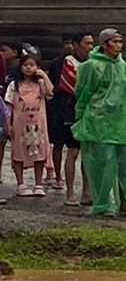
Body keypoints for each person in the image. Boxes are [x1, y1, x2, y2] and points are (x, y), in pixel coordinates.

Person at [73, 28, 126, 219]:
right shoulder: (90, 66)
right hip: (98, 122)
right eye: (114, 42)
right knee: (103, 166)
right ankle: (103, 204)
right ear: (104, 44)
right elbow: (83, 92)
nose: (119, 45)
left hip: (119, 124)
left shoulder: (123, 65)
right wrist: (80, 116)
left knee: (125, 166)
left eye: (120, 41)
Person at [48, 31, 92, 197]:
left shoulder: (93, 61)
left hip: (89, 112)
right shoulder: (68, 62)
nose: (90, 47)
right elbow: (72, 86)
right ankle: (70, 191)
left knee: (87, 152)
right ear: (76, 45)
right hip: (69, 110)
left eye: (91, 44)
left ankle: (87, 191)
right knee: (72, 151)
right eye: (86, 44)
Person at [7, 49, 53, 196]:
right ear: (20, 67)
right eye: (26, 64)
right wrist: (8, 124)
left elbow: (51, 92)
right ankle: (20, 183)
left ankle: (38, 183)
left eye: (32, 65)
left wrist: (44, 76)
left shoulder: (40, 84)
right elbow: (8, 107)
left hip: (38, 126)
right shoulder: (14, 86)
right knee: (19, 153)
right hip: (20, 126)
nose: (29, 67)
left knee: (40, 153)